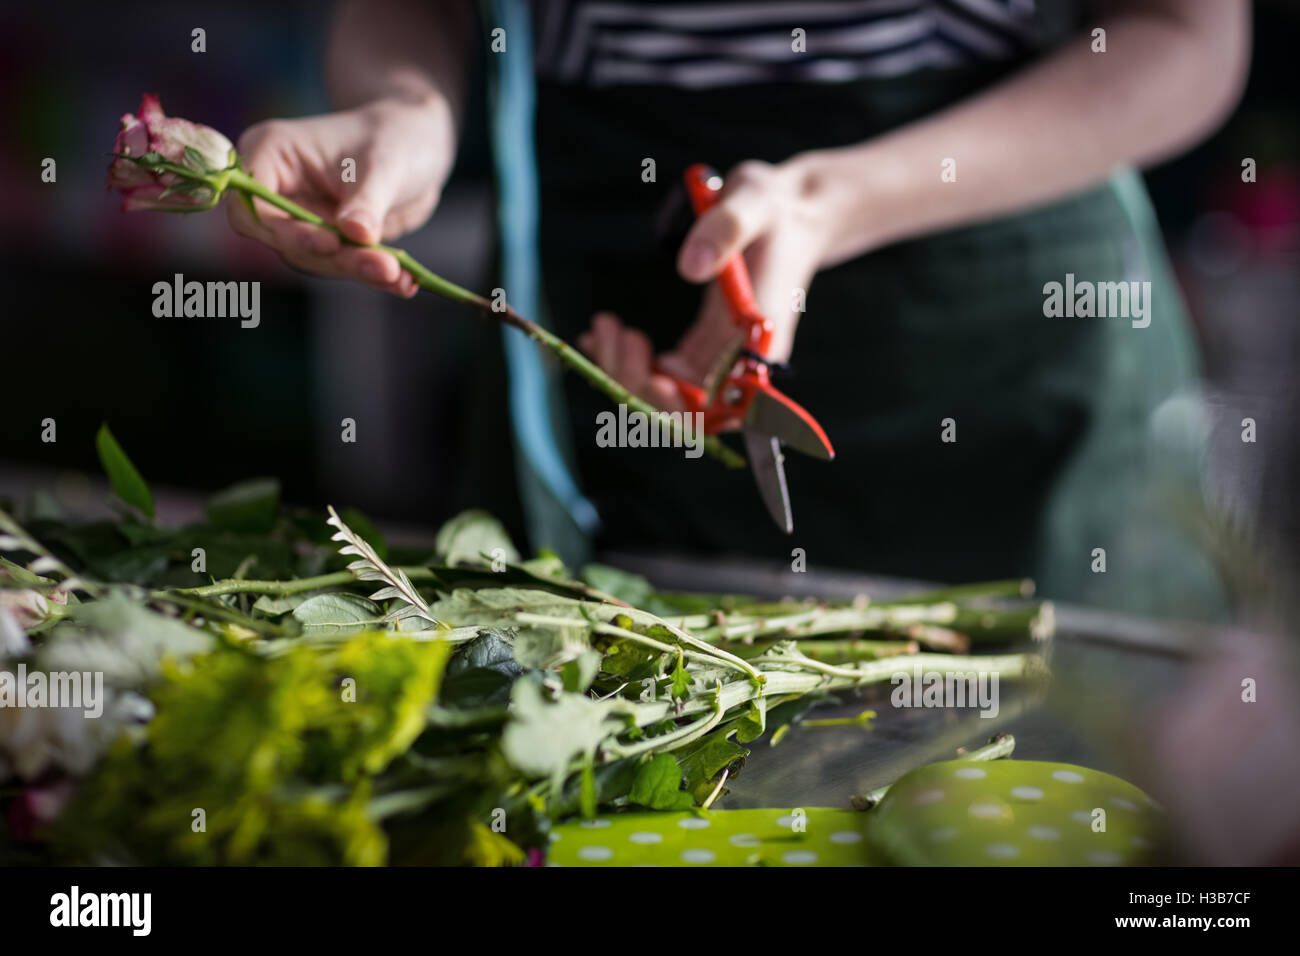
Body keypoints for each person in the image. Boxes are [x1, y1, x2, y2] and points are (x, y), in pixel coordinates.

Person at [228, 0, 1250, 618]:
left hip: (1005, 343)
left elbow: (1186, 35)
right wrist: (410, 108)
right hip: (607, 311)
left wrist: (836, 198)